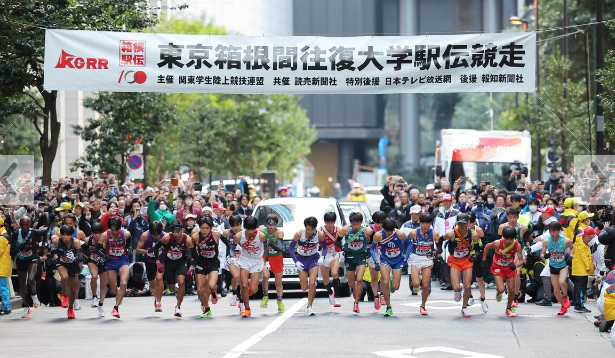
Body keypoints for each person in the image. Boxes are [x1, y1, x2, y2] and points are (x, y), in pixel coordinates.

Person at [150, 220, 194, 317]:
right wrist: (157, 261)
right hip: (169, 262)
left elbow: (193, 252)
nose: (175, 234)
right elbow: (156, 248)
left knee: (181, 281)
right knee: (171, 288)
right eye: (173, 231)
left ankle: (178, 307)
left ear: (182, 230)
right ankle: (178, 292)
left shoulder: (187, 239)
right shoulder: (166, 238)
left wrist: (192, 266)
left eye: (178, 231)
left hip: (181, 262)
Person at [441, 213, 480, 318]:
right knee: (456, 287)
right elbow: (441, 239)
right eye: (459, 223)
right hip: (455, 260)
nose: (461, 226)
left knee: (467, 286)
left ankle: (464, 308)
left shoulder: (474, 235)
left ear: (468, 223)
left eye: (463, 223)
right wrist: (439, 250)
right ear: (456, 223)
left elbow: (477, 248)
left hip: (467, 260)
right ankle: (457, 291)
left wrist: (474, 255)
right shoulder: (452, 234)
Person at [289, 216, 327, 316]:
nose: (310, 231)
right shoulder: (299, 234)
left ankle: (309, 307)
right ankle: (311, 286)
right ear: (305, 227)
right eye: (308, 229)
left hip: (313, 259)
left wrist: (322, 257)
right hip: (301, 259)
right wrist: (296, 261)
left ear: (315, 228)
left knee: (312, 282)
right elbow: (290, 248)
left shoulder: (320, 234)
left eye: (312, 229)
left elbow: (325, 247)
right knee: (304, 287)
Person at [483, 227, 525, 317]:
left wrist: (516, 265)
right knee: (501, 289)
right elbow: (487, 247)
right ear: (503, 237)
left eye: (511, 238)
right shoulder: (497, 243)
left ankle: (508, 308)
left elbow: (521, 260)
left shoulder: (517, 245)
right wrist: (484, 260)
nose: (509, 241)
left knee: (512, 290)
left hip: (509, 267)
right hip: (498, 267)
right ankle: (499, 291)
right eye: (507, 238)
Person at [10, 216, 46, 318]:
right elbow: (12, 251)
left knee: (31, 278)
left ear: (29, 224)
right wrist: (19, 248)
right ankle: (26, 307)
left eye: (27, 224)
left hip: (32, 259)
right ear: (20, 225)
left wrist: (43, 245)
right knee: (22, 286)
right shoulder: (16, 234)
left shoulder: (34, 232)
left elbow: (44, 232)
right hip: (21, 260)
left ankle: (34, 296)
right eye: (23, 225)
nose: (25, 227)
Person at [371, 218, 407, 317]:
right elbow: (372, 248)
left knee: (395, 287)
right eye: (387, 230)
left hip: (398, 260)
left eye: (390, 231)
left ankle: (392, 283)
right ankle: (388, 306)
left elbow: (409, 243)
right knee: (385, 281)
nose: (388, 233)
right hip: (385, 259)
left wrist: (406, 256)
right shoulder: (378, 235)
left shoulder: (400, 234)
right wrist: (375, 260)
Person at [406, 213, 439, 315]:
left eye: (427, 223)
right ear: (420, 223)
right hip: (415, 258)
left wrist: (436, 252)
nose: (425, 225)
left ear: (430, 223)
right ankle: (417, 279)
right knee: (415, 284)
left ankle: (423, 306)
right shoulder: (414, 232)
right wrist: (405, 256)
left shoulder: (434, 234)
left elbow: (438, 246)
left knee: (425, 285)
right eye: (423, 223)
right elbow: (407, 243)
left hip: (427, 259)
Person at [233, 216, 267, 317]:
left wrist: (267, 261)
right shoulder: (239, 236)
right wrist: (232, 256)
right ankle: (247, 309)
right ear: (245, 227)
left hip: (256, 260)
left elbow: (266, 246)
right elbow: (232, 246)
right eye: (248, 229)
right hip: (245, 259)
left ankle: (245, 293)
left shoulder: (261, 236)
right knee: (243, 285)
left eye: (252, 229)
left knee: (253, 289)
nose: (250, 231)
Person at [341, 212, 373, 314]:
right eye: (354, 224)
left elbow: (374, 241)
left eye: (358, 224)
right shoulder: (346, 230)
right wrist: (342, 248)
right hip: (349, 257)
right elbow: (337, 240)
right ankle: (356, 289)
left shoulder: (367, 231)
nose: (356, 227)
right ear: (350, 223)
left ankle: (356, 303)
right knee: (351, 283)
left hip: (361, 257)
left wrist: (369, 249)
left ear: (361, 222)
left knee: (359, 279)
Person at [100, 217, 132, 318]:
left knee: (123, 283)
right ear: (109, 228)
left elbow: (129, 244)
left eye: (117, 230)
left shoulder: (126, 234)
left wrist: (128, 250)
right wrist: (104, 256)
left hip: (122, 260)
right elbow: (97, 249)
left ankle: (116, 308)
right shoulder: (105, 235)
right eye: (113, 230)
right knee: (113, 290)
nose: (115, 232)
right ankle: (119, 294)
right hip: (111, 262)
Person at [191, 216, 222, 318]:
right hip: (201, 263)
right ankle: (207, 308)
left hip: (213, 263)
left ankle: (214, 291)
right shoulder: (195, 237)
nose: (204, 230)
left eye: (207, 228)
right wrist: (193, 264)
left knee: (211, 285)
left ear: (210, 228)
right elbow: (193, 253)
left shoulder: (216, 234)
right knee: (199, 290)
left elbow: (228, 243)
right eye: (202, 228)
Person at [541, 222, 575, 315]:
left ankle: (565, 297)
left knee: (562, 282)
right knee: (556, 290)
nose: (552, 233)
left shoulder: (565, 241)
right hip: (553, 266)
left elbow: (572, 248)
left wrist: (570, 256)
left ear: (559, 231)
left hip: (563, 265)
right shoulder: (546, 241)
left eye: (554, 231)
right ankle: (563, 306)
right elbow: (542, 254)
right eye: (550, 231)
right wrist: (545, 255)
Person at [497, 208, 528, 306]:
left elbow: (526, 241)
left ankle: (515, 297)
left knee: (517, 274)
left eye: (515, 217)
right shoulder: (502, 227)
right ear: (507, 217)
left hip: (518, 252)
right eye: (510, 217)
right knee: (505, 274)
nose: (513, 219)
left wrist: (525, 254)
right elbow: (499, 241)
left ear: (518, 217)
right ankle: (502, 289)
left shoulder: (523, 228)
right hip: (506, 253)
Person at [51, 225, 82, 319]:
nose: (66, 237)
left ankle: (71, 308)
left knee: (73, 289)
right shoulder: (57, 240)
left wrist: (76, 257)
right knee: (64, 277)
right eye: (64, 235)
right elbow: (52, 238)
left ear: (72, 235)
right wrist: (55, 252)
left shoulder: (76, 242)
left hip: (73, 264)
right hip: (61, 263)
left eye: (68, 235)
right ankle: (65, 296)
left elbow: (80, 256)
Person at [135, 221, 165, 313]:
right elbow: (137, 250)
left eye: (157, 235)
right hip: (149, 261)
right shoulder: (145, 235)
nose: (156, 237)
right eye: (154, 235)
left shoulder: (165, 236)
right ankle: (156, 297)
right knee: (152, 285)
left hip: (161, 260)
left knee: (159, 278)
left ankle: (158, 301)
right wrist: (147, 251)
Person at [260, 214, 286, 313]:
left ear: (276, 224)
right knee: (266, 276)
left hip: (277, 257)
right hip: (265, 257)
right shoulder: (262, 231)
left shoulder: (279, 233)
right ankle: (265, 296)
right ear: (266, 224)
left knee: (278, 282)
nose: (271, 226)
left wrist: (270, 243)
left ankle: (279, 301)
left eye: (273, 223)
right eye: (269, 223)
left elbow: (280, 248)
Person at [81, 223, 108, 317]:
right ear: (92, 233)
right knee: (94, 276)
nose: (97, 235)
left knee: (103, 285)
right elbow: (82, 249)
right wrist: (88, 257)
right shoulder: (88, 240)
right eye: (95, 233)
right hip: (92, 261)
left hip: (103, 262)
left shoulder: (105, 240)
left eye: (99, 233)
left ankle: (101, 305)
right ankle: (94, 297)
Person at [467, 213, 489, 313]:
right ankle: (470, 296)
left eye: (469, 224)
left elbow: (484, 244)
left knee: (479, 278)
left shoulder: (478, 230)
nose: (466, 226)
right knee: (467, 279)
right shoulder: (459, 229)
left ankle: (483, 299)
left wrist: (480, 254)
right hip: (465, 256)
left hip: (476, 256)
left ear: (474, 222)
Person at [572, 226, 595, 313]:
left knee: (578, 287)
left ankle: (577, 304)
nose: (590, 240)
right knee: (581, 288)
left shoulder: (579, 241)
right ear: (587, 236)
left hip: (579, 269)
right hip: (582, 269)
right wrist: (589, 267)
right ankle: (579, 306)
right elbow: (585, 257)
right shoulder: (582, 244)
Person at [367, 211, 387, 310]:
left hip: (384, 254)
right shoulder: (370, 230)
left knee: (384, 276)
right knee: (374, 278)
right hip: (373, 254)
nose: (379, 225)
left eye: (381, 222)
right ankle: (375, 296)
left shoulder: (388, 228)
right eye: (377, 222)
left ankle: (383, 294)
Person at [223, 215, 243, 307]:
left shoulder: (245, 233)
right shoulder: (227, 233)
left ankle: (242, 300)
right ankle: (234, 293)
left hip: (243, 258)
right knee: (236, 275)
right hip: (231, 258)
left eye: (237, 225)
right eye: (233, 225)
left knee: (243, 280)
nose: (236, 228)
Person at [0, 226, 10, 315]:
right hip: (3, 265)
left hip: (2, 266)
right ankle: (6, 307)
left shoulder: (2, 237)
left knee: (3, 288)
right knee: (4, 287)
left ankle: (5, 307)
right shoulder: (4, 234)